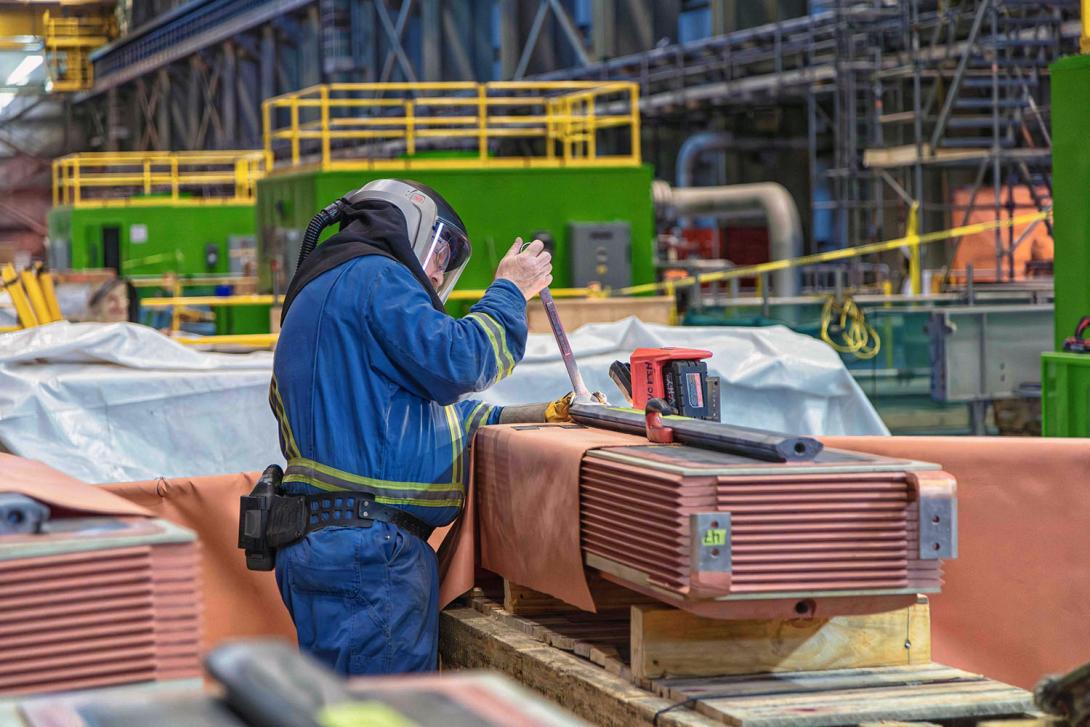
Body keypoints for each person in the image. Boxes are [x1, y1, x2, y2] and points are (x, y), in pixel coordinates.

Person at [269, 178, 578, 675]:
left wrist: (540, 414)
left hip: (325, 542)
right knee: (390, 712)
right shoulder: (378, 278)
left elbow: (409, 421)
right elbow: (460, 360)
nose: (438, 272)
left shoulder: (323, 292)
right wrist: (509, 292)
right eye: (440, 252)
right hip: (369, 556)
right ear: (405, 224)